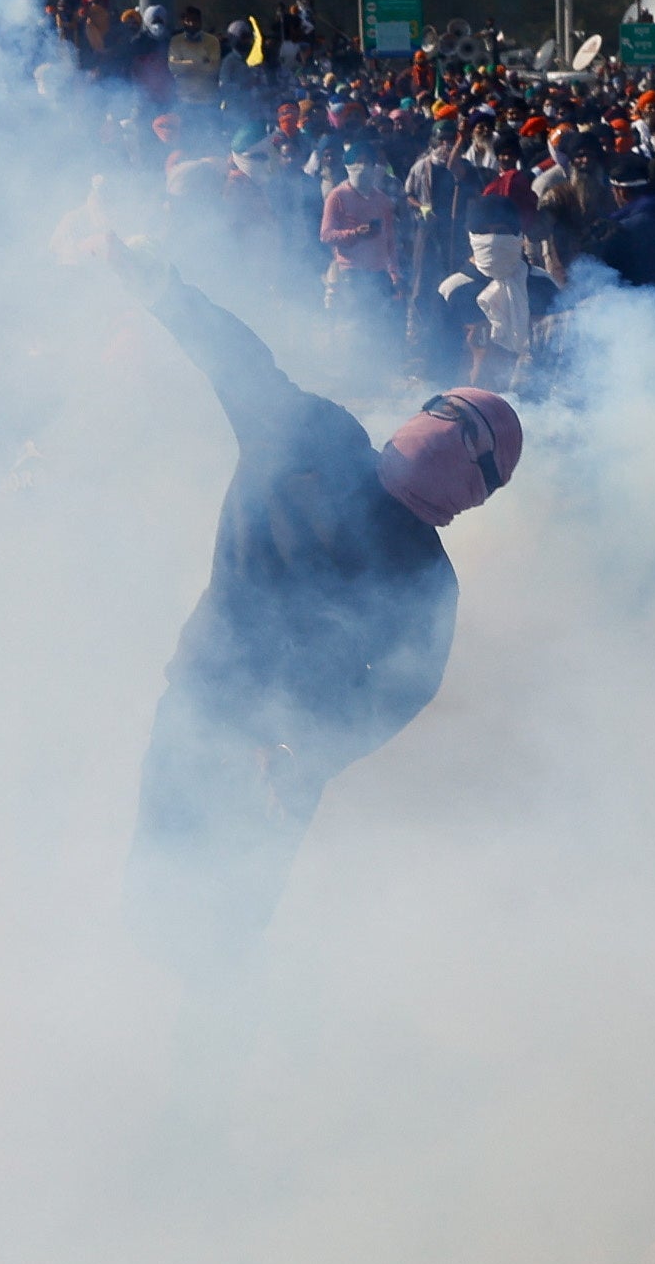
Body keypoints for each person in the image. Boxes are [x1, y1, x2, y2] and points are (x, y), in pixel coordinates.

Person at [122, 258, 518, 979]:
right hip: (281, 760)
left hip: (199, 700)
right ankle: (194, 1056)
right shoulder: (426, 573)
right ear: (472, 492)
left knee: (158, 884)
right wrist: (309, 754)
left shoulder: (312, 436)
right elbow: (404, 690)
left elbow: (232, 354)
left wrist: (147, 276)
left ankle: (124, 1035)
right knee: (228, 932)